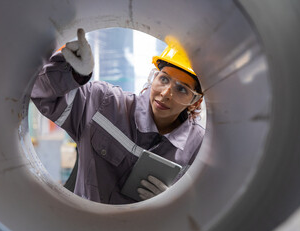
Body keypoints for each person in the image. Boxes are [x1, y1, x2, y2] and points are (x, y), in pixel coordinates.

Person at [31, 28, 205, 204]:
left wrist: (174, 202)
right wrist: (72, 72)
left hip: (146, 230)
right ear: (154, 77)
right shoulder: (102, 103)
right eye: (164, 79)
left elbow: (204, 208)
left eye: (182, 89)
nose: (166, 93)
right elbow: (43, 94)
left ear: (195, 101)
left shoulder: (198, 146)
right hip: (86, 226)